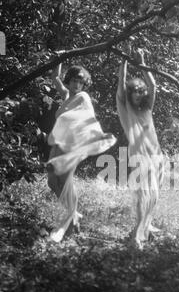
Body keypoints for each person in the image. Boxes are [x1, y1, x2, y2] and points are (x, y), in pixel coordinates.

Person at [47, 63, 116, 242]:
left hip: (73, 145)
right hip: (59, 142)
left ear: (84, 84)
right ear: (69, 81)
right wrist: (59, 59)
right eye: (74, 81)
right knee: (52, 181)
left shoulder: (82, 97)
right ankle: (74, 213)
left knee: (65, 181)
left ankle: (70, 220)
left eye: (81, 81)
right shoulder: (67, 96)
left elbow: (69, 113)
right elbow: (55, 77)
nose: (77, 85)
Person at [116, 49, 163, 249]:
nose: (138, 93)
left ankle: (147, 225)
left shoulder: (147, 108)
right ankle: (136, 235)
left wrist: (143, 62)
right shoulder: (125, 108)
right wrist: (124, 62)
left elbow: (153, 85)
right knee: (143, 193)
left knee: (154, 195)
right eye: (134, 90)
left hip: (156, 155)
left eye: (140, 91)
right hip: (138, 156)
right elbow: (121, 83)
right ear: (129, 93)